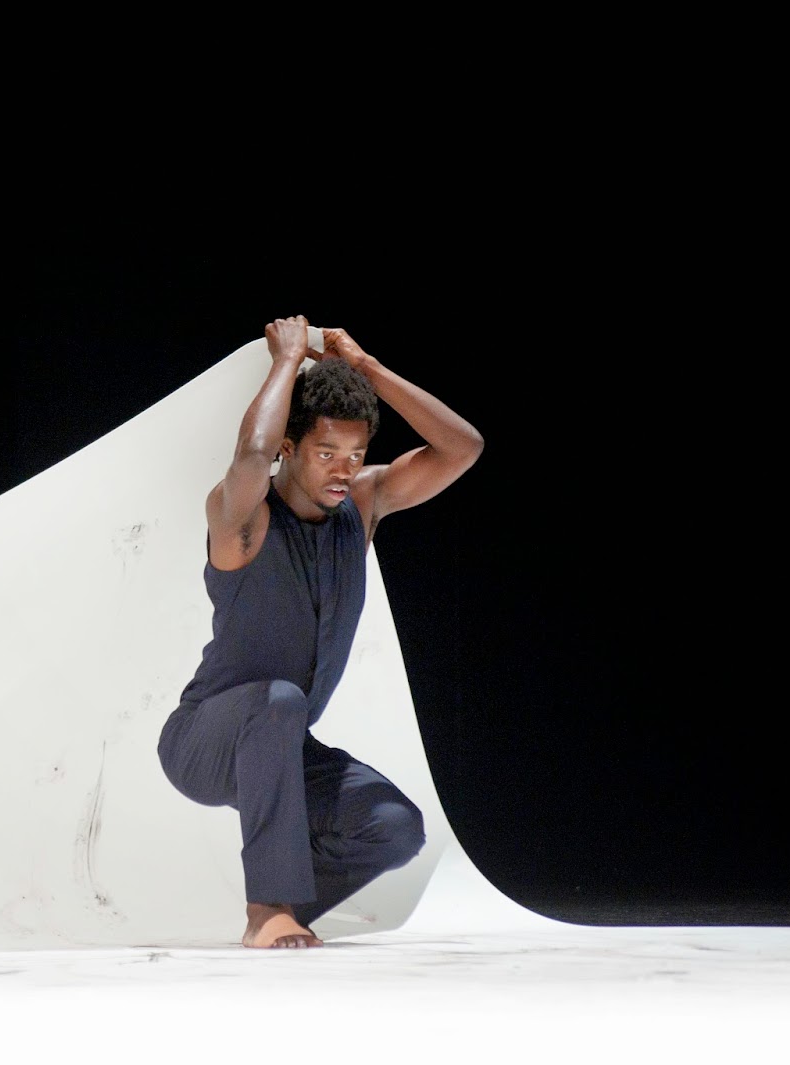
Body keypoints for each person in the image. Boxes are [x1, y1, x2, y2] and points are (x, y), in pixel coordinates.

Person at [157, 315, 484, 949]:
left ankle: (285, 910)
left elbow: (461, 448)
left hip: (281, 745)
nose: (344, 469)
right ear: (290, 447)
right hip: (204, 742)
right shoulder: (243, 520)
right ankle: (266, 909)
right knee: (279, 701)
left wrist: (368, 370)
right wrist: (285, 361)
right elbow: (251, 456)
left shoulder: (361, 506)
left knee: (394, 825)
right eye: (326, 453)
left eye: (355, 455)